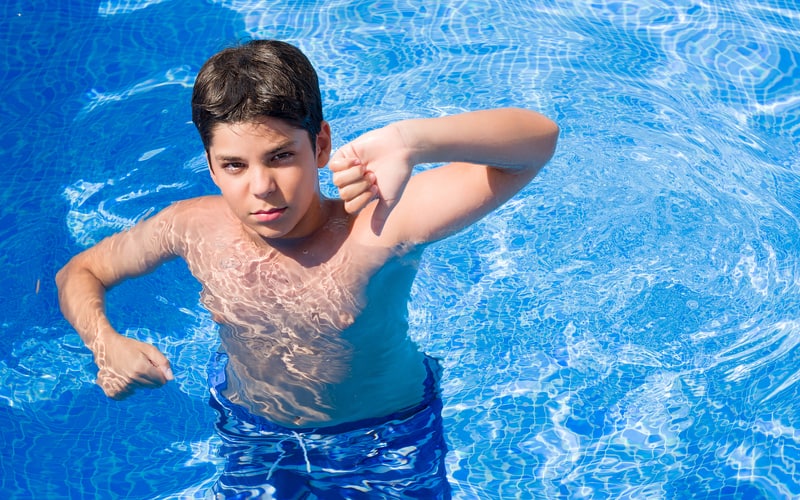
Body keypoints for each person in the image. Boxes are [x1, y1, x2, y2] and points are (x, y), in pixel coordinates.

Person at [56, 39, 559, 498]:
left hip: (385, 436)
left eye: (280, 157)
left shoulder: (378, 225)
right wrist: (105, 343)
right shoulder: (190, 227)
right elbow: (78, 273)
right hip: (251, 430)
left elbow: (537, 143)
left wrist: (412, 141)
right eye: (235, 165)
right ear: (210, 165)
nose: (261, 187)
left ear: (320, 145)